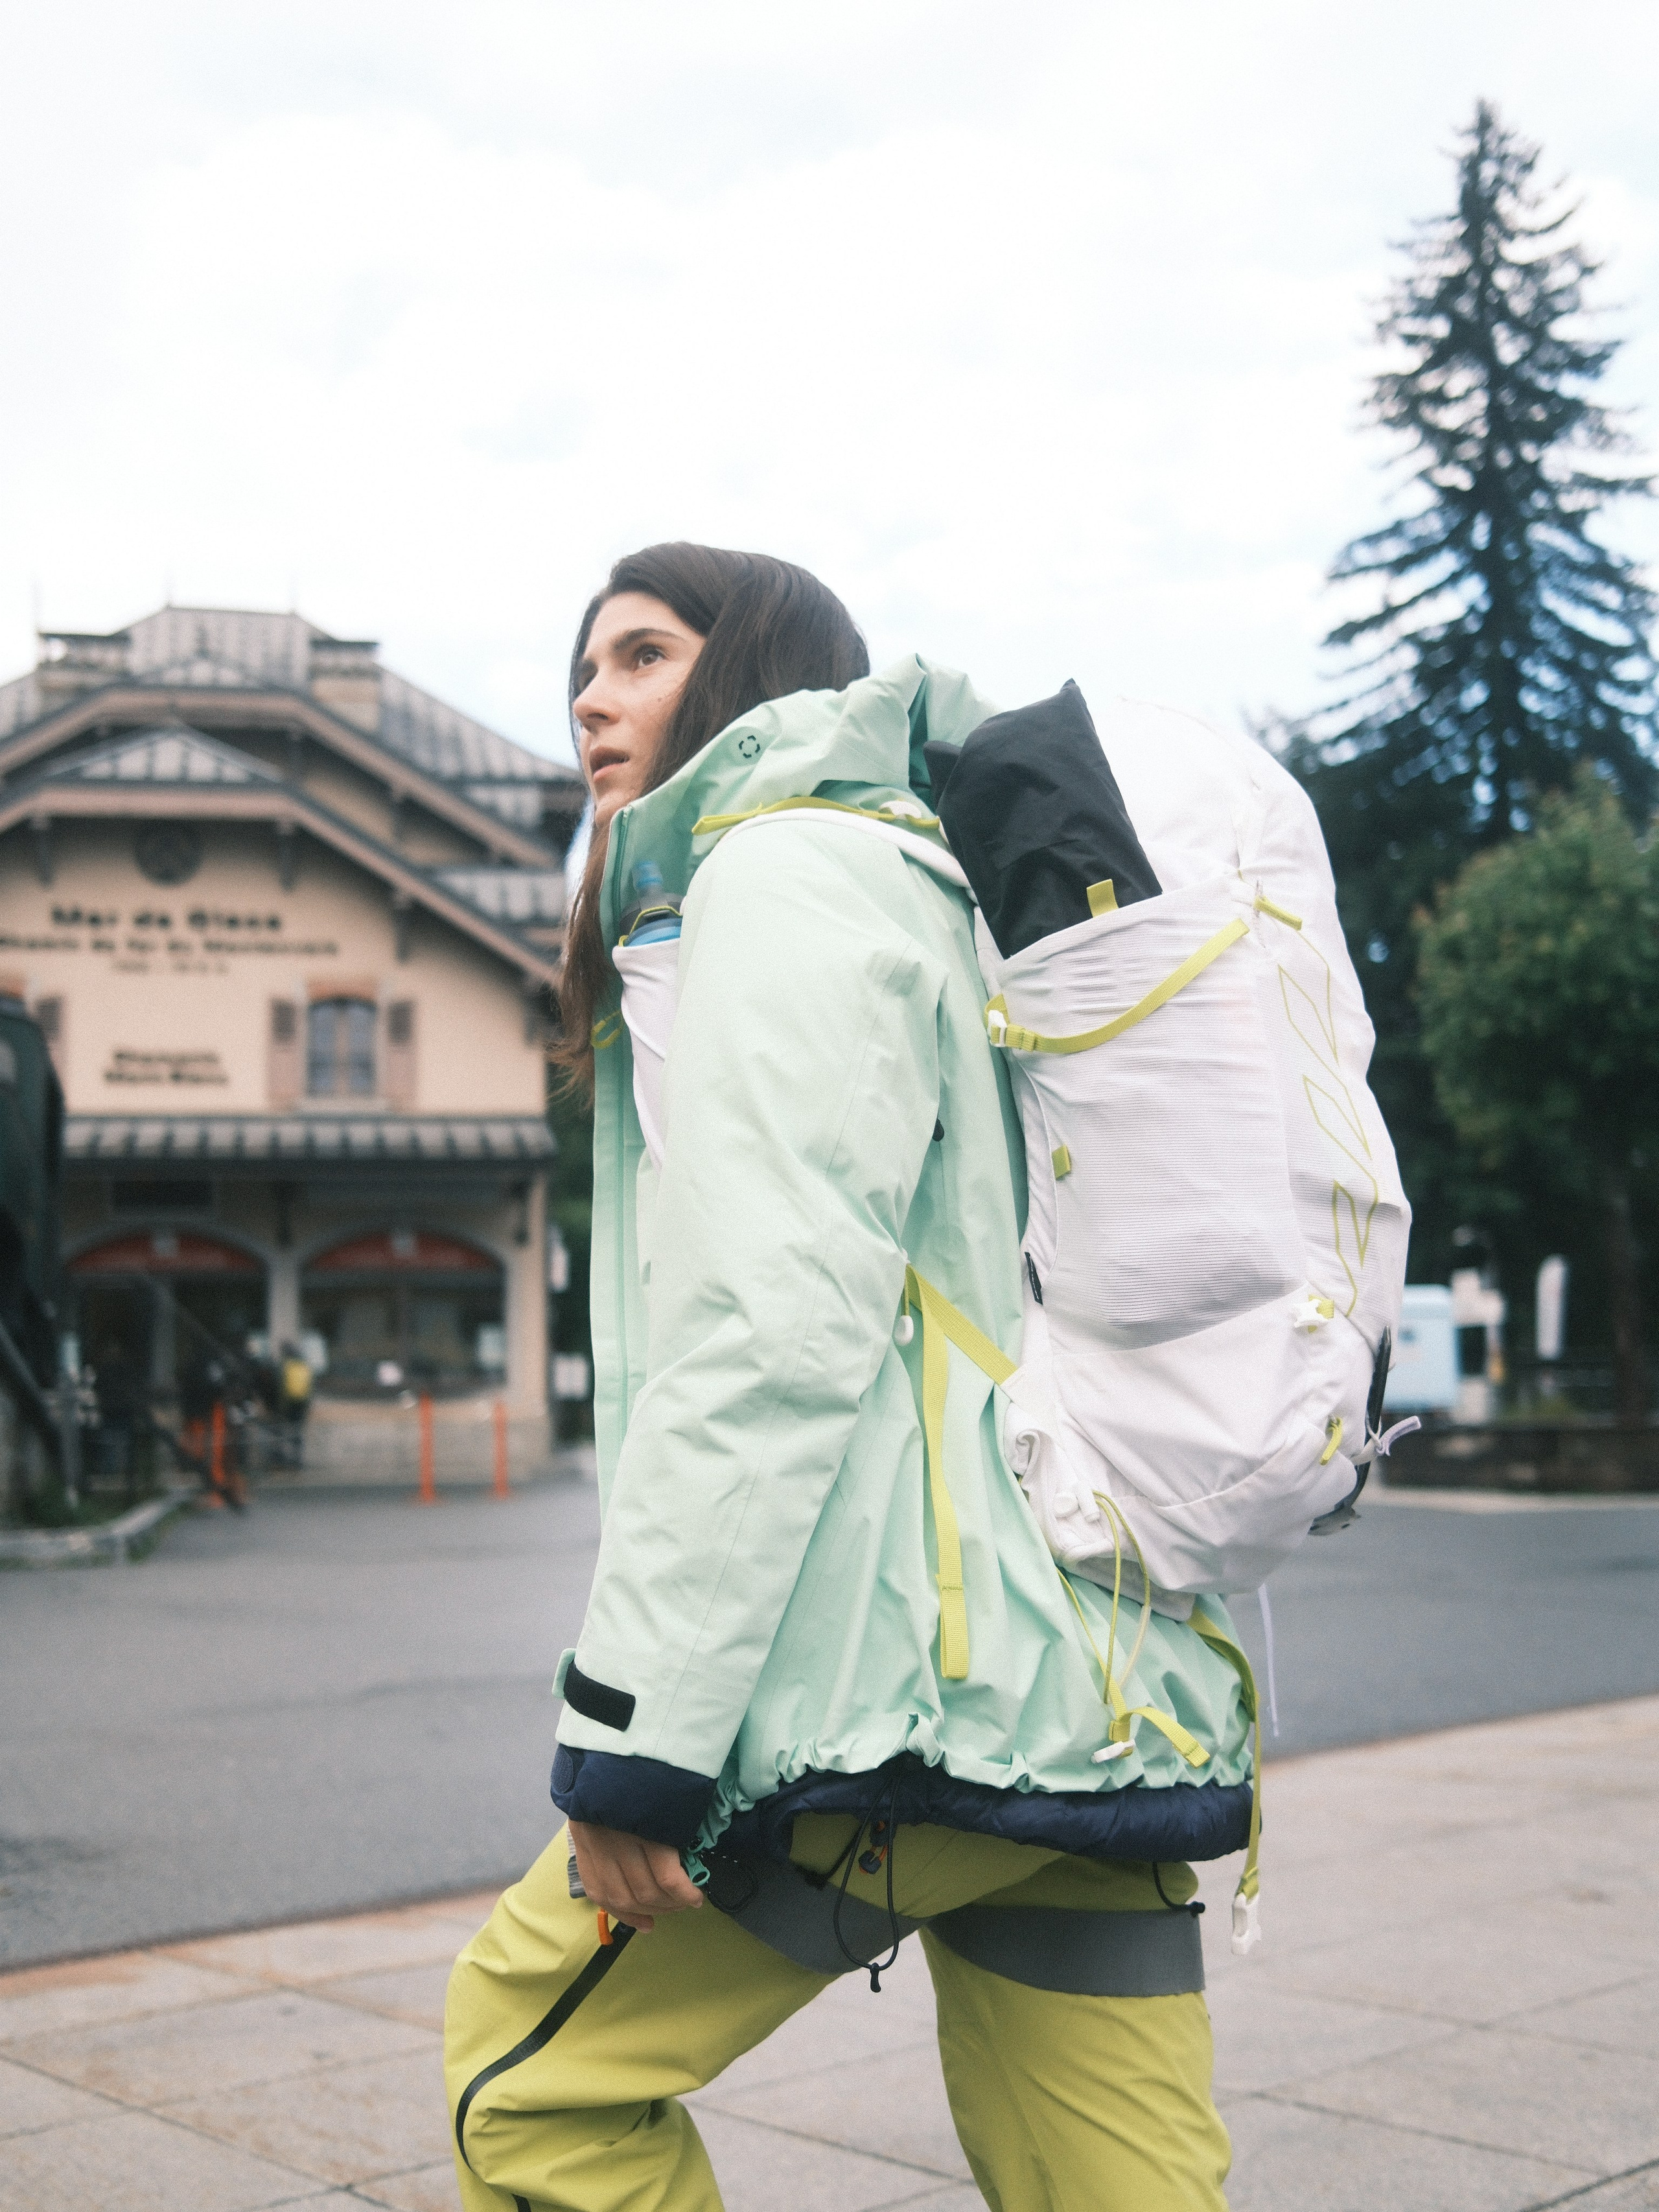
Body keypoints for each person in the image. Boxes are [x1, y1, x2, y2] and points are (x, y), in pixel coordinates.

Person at [445, 544, 1255, 2211]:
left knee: (526, 2091)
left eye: (641, 654)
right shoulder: (919, 878)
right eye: (580, 669)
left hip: (897, 1685)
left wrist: (637, 1739)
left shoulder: (783, 873)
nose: (590, 697)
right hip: (1081, 1678)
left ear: (753, 668)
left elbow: (771, 1324)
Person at [278, 1340, 313, 1469]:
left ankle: (286, 1459)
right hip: (302, 1402)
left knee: (284, 1430)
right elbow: (310, 1385)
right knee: (298, 1430)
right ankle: (298, 1459)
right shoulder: (303, 1364)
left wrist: (281, 1405)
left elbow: (281, 1387)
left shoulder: (285, 1366)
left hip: (289, 1403)